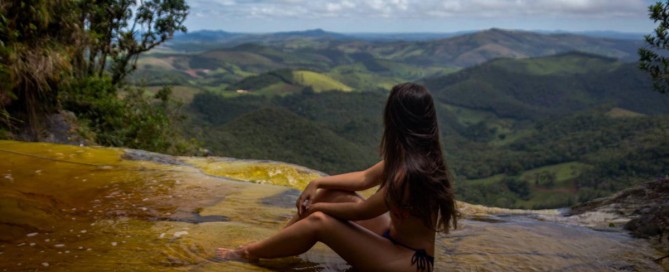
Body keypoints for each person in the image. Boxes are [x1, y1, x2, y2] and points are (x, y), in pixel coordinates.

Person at [217, 82, 458, 272]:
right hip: (392, 239)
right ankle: (277, 244)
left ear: (396, 120)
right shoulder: (412, 157)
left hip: (409, 261)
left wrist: (315, 208)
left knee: (319, 221)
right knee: (334, 194)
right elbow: (364, 178)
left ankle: (248, 253)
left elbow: (362, 212)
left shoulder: (410, 173)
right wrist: (317, 183)